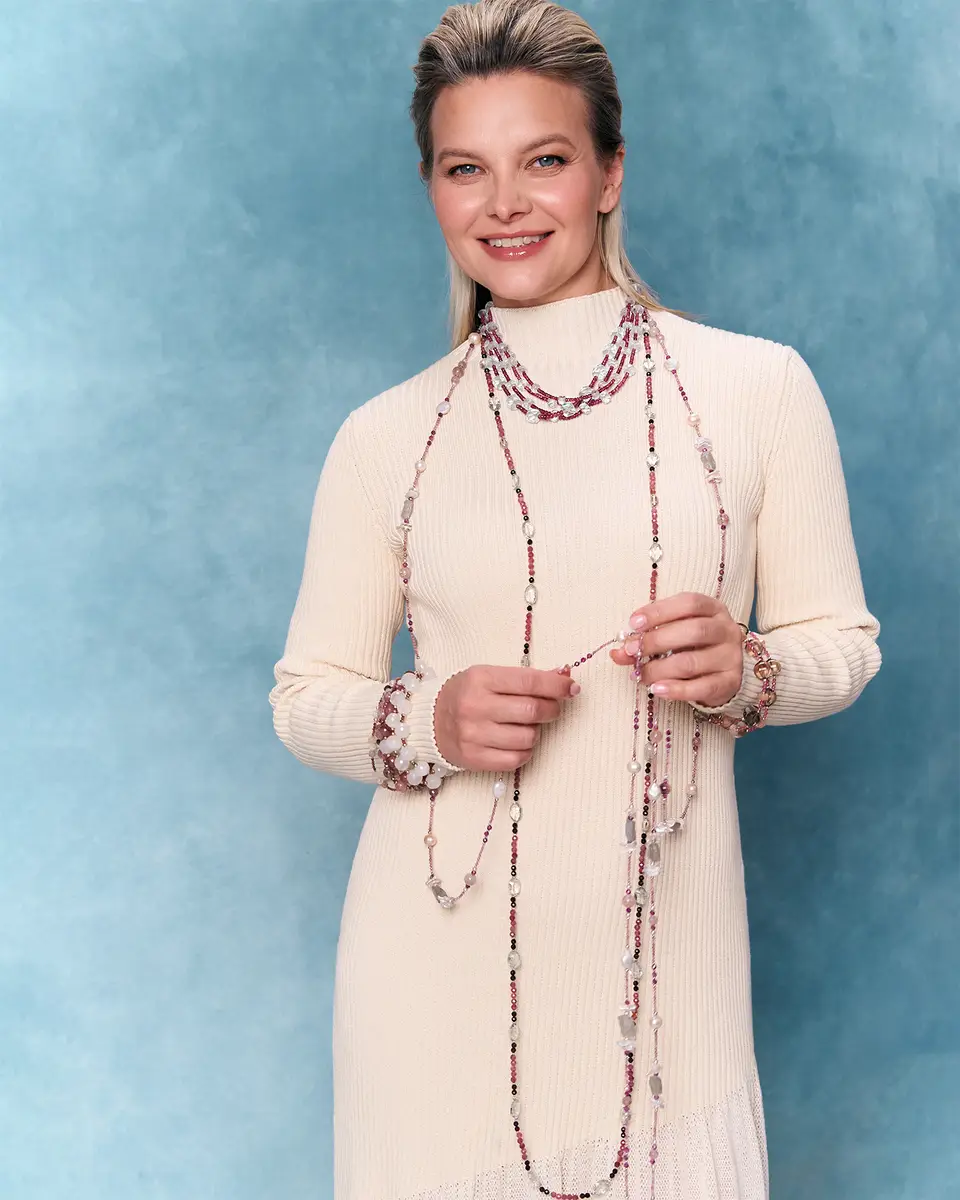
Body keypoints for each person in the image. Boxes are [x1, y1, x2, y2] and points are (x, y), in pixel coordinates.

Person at [269, 2, 882, 1197]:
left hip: (668, 990)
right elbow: (306, 698)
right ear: (431, 188)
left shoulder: (756, 389)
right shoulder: (385, 437)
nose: (504, 204)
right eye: (465, 169)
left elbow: (844, 644)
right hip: (429, 986)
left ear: (610, 173)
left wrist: (751, 668)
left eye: (543, 159)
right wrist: (429, 719)